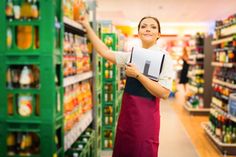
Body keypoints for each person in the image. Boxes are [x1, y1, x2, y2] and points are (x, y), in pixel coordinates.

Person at [78, 15, 174, 157]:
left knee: (143, 151)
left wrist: (138, 75)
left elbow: (164, 93)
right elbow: (104, 52)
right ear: (139, 32)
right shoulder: (132, 55)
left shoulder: (164, 58)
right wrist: (87, 26)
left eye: (153, 27)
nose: (148, 29)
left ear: (158, 34)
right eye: (144, 26)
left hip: (146, 120)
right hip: (128, 117)